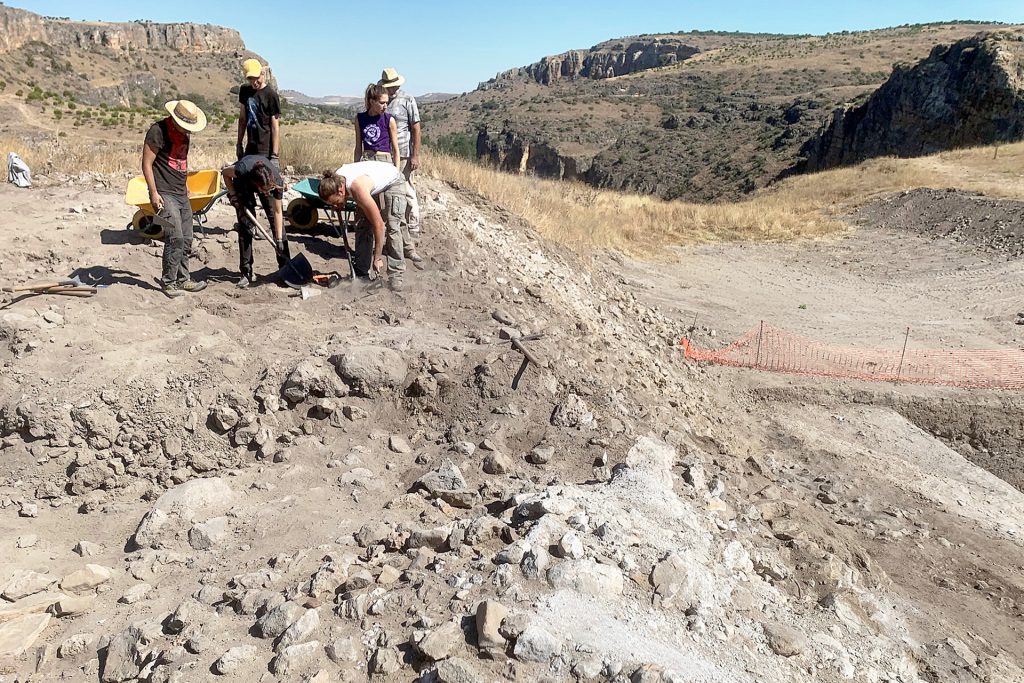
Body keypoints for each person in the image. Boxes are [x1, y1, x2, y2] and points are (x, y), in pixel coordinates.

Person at [142, 99, 208, 298]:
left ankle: (183, 279)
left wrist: (185, 183)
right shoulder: (158, 131)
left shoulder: (185, 135)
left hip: (180, 192)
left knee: (187, 238)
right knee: (175, 236)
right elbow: (146, 164)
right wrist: (153, 193)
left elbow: (180, 160)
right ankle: (168, 281)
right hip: (164, 192)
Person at [317, 160, 408, 291]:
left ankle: (396, 274)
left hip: (393, 180)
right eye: (332, 205)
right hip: (371, 183)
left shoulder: (357, 188)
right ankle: (361, 272)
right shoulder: (334, 180)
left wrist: (377, 257)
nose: (335, 206)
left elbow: (379, 225)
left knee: (392, 227)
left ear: (341, 191)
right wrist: (338, 205)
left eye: (336, 202)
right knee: (362, 225)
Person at [221, 155, 291, 288]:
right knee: (246, 226)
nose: (266, 193)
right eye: (264, 190)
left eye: (269, 190)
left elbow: (277, 212)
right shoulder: (242, 170)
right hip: (243, 184)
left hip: (262, 181)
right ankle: (246, 272)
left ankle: (286, 268)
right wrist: (233, 194)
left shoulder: (276, 182)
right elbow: (225, 172)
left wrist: (280, 239)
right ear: (257, 185)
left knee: (277, 226)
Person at [379, 67, 423, 262]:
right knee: (387, 197)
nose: (391, 89)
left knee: (404, 193)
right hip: (385, 154)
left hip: (403, 154)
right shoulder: (382, 101)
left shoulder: (407, 99)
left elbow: (416, 128)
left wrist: (415, 155)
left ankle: (409, 233)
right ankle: (392, 238)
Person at [237, 59, 281, 167]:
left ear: (262, 74)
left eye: (256, 78)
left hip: (265, 149)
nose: (254, 82)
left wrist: (274, 156)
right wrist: (239, 144)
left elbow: (275, 127)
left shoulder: (271, 95)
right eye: (250, 79)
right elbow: (242, 119)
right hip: (250, 147)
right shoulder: (245, 91)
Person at [354, 83, 400, 169]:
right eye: (382, 103)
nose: (385, 106)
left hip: (384, 161)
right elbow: (358, 147)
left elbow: (395, 149)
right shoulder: (360, 119)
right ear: (372, 101)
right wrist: (355, 167)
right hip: (367, 160)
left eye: (387, 102)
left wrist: (397, 171)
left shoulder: (389, 120)